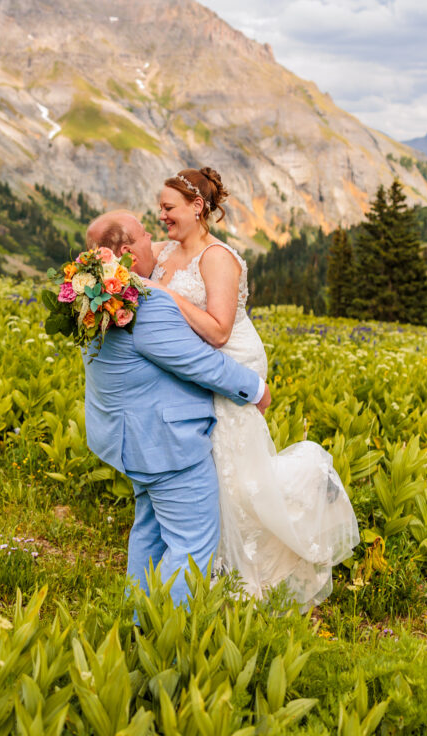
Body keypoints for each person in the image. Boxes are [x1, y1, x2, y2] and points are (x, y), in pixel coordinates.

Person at [148, 167, 359, 606]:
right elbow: (130, 252)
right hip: (198, 363)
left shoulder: (217, 257)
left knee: (232, 468)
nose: (162, 215)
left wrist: (168, 297)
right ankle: (211, 566)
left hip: (228, 360)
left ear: (197, 207)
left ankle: (247, 572)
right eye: (160, 208)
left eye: (169, 208)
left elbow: (220, 329)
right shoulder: (168, 250)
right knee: (213, 464)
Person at [82, 210, 271, 606]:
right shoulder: (144, 304)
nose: (155, 239)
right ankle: (168, 637)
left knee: (149, 532)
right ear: (129, 251)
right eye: (145, 234)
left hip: (129, 438)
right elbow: (197, 362)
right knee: (192, 544)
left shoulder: (94, 298)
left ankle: (137, 620)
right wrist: (254, 388)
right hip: (165, 444)